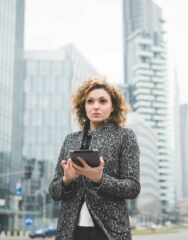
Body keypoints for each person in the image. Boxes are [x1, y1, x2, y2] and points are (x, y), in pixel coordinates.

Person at [49, 75, 140, 240]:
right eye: (90, 101)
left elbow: (133, 187)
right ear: (83, 106)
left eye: (103, 101)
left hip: (109, 231)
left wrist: (100, 179)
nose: (96, 106)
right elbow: (54, 192)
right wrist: (66, 180)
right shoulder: (70, 139)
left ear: (113, 106)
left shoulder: (125, 136)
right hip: (70, 232)